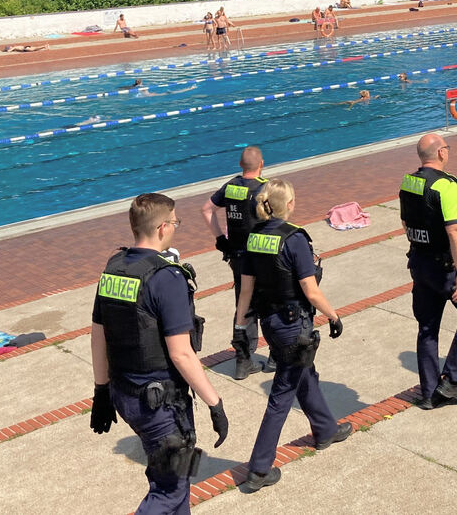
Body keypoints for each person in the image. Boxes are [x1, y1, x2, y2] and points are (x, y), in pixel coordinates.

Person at [90, 193, 229, 513]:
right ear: (163, 227)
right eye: (176, 222)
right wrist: (214, 402)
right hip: (160, 403)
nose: (176, 228)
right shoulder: (166, 277)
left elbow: (98, 334)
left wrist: (101, 390)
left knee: (176, 484)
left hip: (125, 393)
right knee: (168, 489)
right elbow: (181, 354)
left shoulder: (114, 268)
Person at [235, 179, 352, 492]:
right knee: (282, 393)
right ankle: (259, 468)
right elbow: (310, 290)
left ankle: (326, 430)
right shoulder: (294, 238)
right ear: (288, 204)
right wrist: (333, 315)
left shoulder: (253, 237)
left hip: (270, 322)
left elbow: (245, 289)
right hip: (293, 324)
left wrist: (238, 327)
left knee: (303, 373)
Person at [399, 133, 457, 409]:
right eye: (446, 148)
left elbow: (405, 221)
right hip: (444, 266)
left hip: (419, 262)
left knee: (427, 327)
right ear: (440, 153)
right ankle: (452, 380)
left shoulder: (408, 182)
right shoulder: (446, 186)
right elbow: (455, 231)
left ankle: (428, 393)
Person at [201, 146, 270, 379]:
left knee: (244, 305)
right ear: (261, 163)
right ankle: (277, 356)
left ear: (241, 165)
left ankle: (243, 360)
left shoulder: (231, 186)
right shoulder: (264, 187)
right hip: (262, 256)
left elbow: (207, 209)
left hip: (238, 256)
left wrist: (221, 238)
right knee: (271, 303)